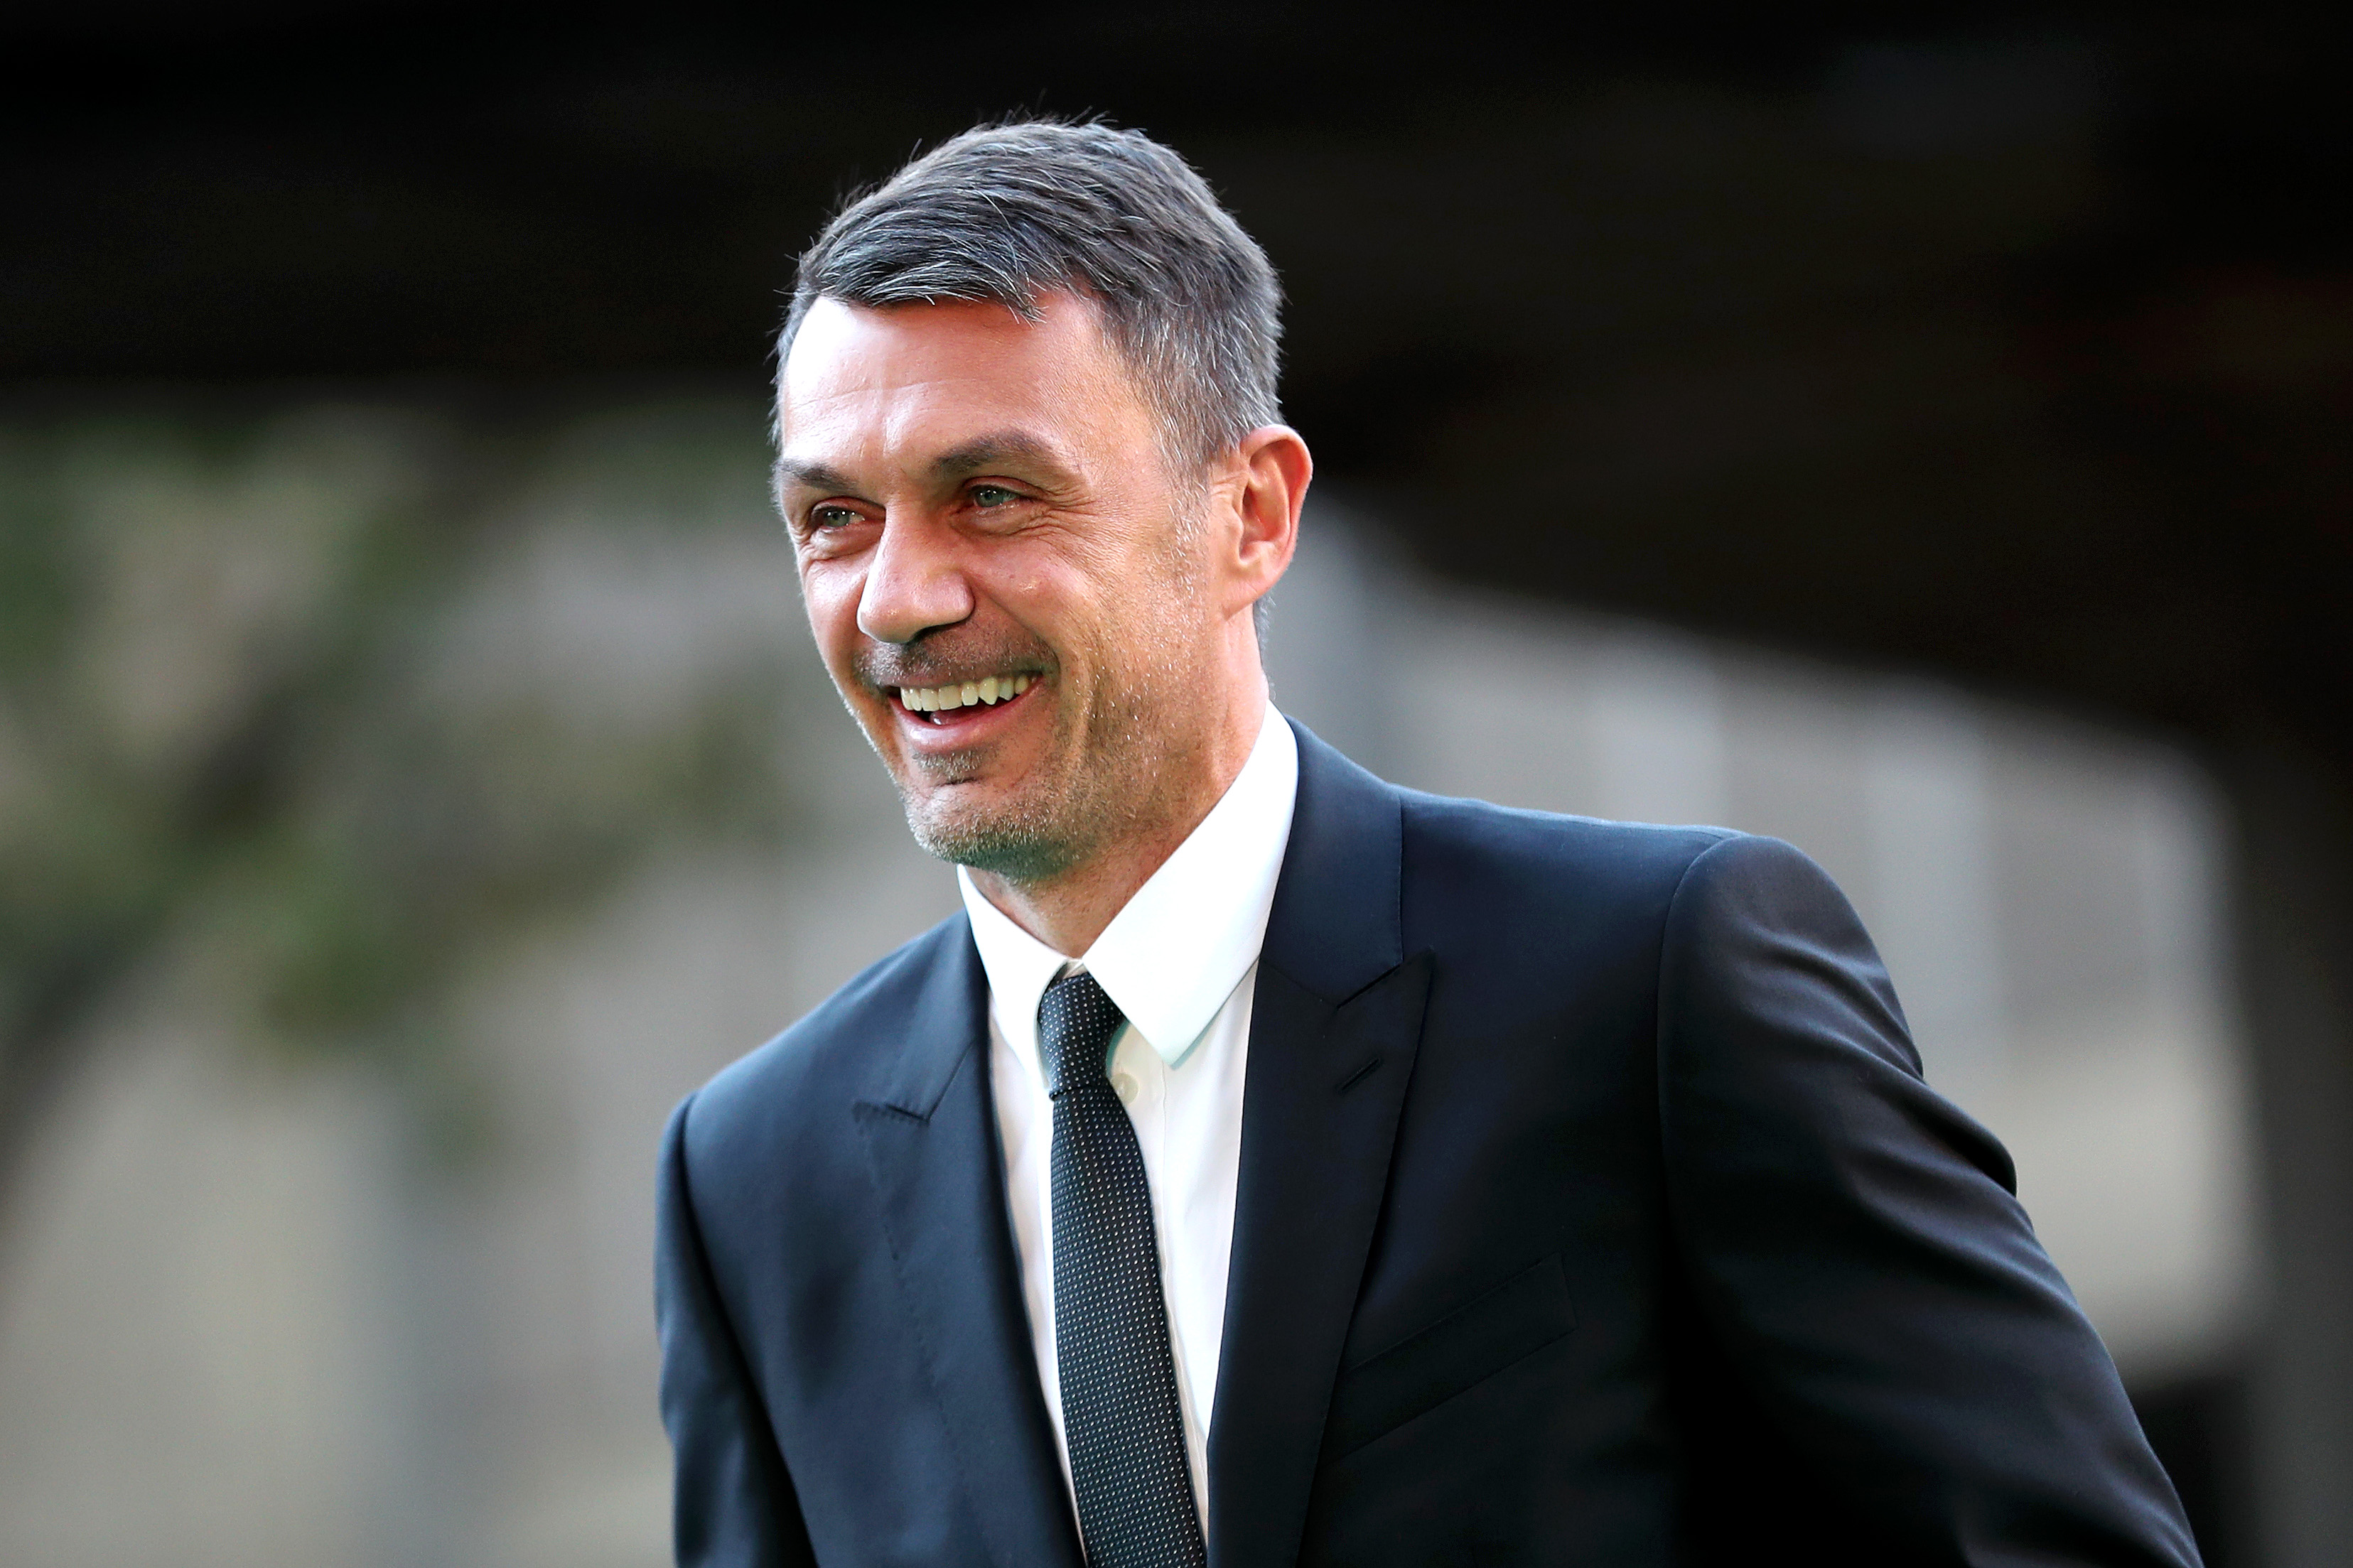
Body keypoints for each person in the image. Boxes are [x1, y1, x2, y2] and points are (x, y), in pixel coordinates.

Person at [654, 119, 2200, 1568]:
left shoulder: (1649, 987)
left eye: (991, 496)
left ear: (1251, 514)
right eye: (833, 519)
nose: (898, 600)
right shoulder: (755, 1181)